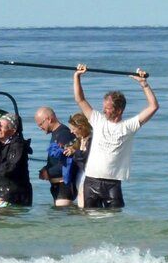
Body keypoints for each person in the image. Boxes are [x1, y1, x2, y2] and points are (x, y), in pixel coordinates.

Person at [73, 63, 159, 208]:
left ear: (118, 110)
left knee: (115, 220)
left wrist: (144, 84)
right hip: (91, 180)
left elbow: (153, 107)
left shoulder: (129, 126)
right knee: (91, 221)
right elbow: (80, 99)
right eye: (103, 107)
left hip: (112, 183)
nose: (103, 110)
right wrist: (77, 76)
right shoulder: (97, 120)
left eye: (107, 108)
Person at [34, 107, 77, 207]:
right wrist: (46, 169)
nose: (40, 128)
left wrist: (48, 173)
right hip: (57, 185)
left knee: (62, 217)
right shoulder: (56, 134)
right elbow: (56, 160)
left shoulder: (64, 134)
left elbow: (69, 163)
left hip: (64, 186)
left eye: (41, 124)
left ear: (49, 119)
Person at [63, 112, 93, 208]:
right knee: (81, 202)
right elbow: (74, 148)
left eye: (73, 129)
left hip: (89, 176)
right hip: (79, 176)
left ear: (81, 127)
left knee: (86, 204)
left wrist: (74, 152)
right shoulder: (80, 140)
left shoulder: (92, 140)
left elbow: (85, 157)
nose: (71, 132)